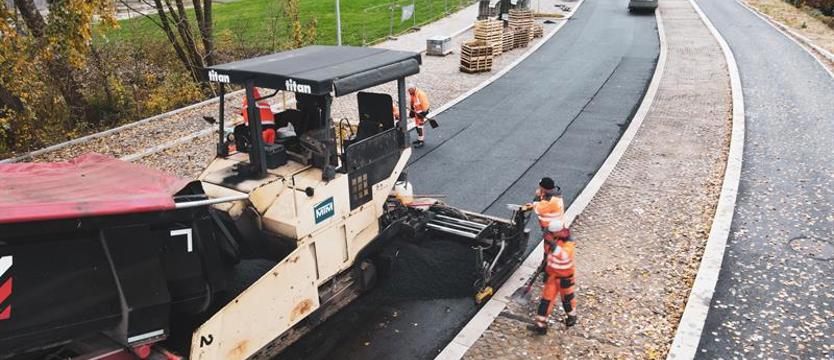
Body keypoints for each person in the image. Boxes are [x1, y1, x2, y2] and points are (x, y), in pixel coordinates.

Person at [524, 177, 576, 334]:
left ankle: (572, 316)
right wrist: (546, 267)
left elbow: (563, 256)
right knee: (546, 299)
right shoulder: (553, 239)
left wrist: (552, 248)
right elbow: (550, 256)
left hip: (564, 277)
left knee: (567, 298)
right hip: (553, 275)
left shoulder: (566, 245)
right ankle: (541, 325)